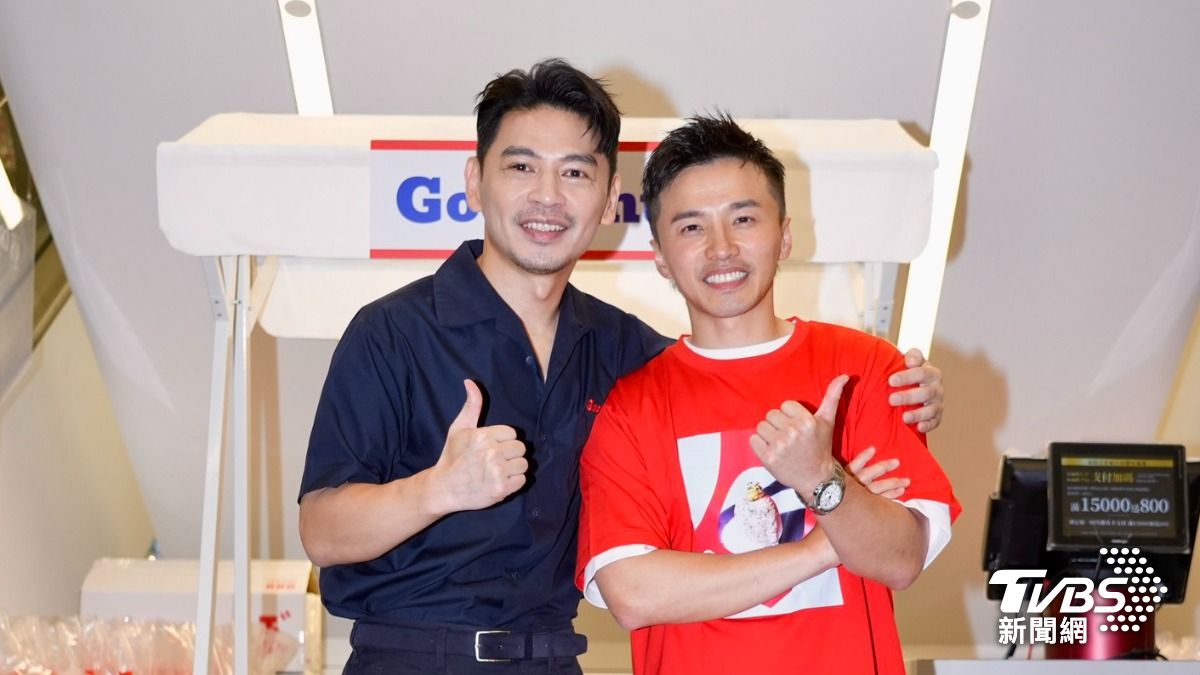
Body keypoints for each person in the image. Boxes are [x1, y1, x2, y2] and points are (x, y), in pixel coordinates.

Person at [297, 60, 945, 674]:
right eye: (521, 166)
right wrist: (437, 489)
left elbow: (730, 371)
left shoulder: (624, 350)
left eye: (575, 173)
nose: (547, 195)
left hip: (553, 658)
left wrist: (909, 389)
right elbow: (321, 531)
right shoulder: (393, 332)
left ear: (610, 200)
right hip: (410, 655)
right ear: (474, 181)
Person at [576, 114, 962, 675]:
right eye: (692, 227)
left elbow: (900, 559)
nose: (722, 248)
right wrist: (826, 535)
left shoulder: (865, 370)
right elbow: (634, 594)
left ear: (784, 236)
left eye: (744, 219)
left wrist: (820, 478)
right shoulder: (628, 407)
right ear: (660, 256)